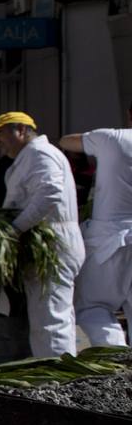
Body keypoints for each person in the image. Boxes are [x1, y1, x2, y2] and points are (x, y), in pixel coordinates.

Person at [0, 111, 85, 357]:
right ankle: (60, 374)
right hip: (50, 242)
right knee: (53, 316)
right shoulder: (29, 157)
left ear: (20, 130)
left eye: (1, 133)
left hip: (53, 244)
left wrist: (14, 229)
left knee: (50, 320)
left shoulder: (40, 154)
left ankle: (56, 382)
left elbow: (50, 193)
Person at [61, 111, 132, 346]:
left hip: (110, 241)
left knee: (94, 306)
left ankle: (116, 359)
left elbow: (66, 141)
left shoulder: (111, 138)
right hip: (116, 238)